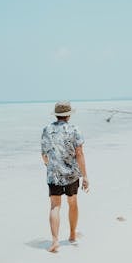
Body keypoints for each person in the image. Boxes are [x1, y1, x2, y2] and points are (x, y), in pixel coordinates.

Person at [41, 101, 89, 253]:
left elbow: (44, 154)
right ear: (68, 115)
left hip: (53, 174)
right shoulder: (75, 129)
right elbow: (79, 153)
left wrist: (49, 166)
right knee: (72, 203)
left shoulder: (47, 129)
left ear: (56, 114)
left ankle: (55, 241)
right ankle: (72, 235)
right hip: (71, 174)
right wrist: (85, 176)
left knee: (55, 206)